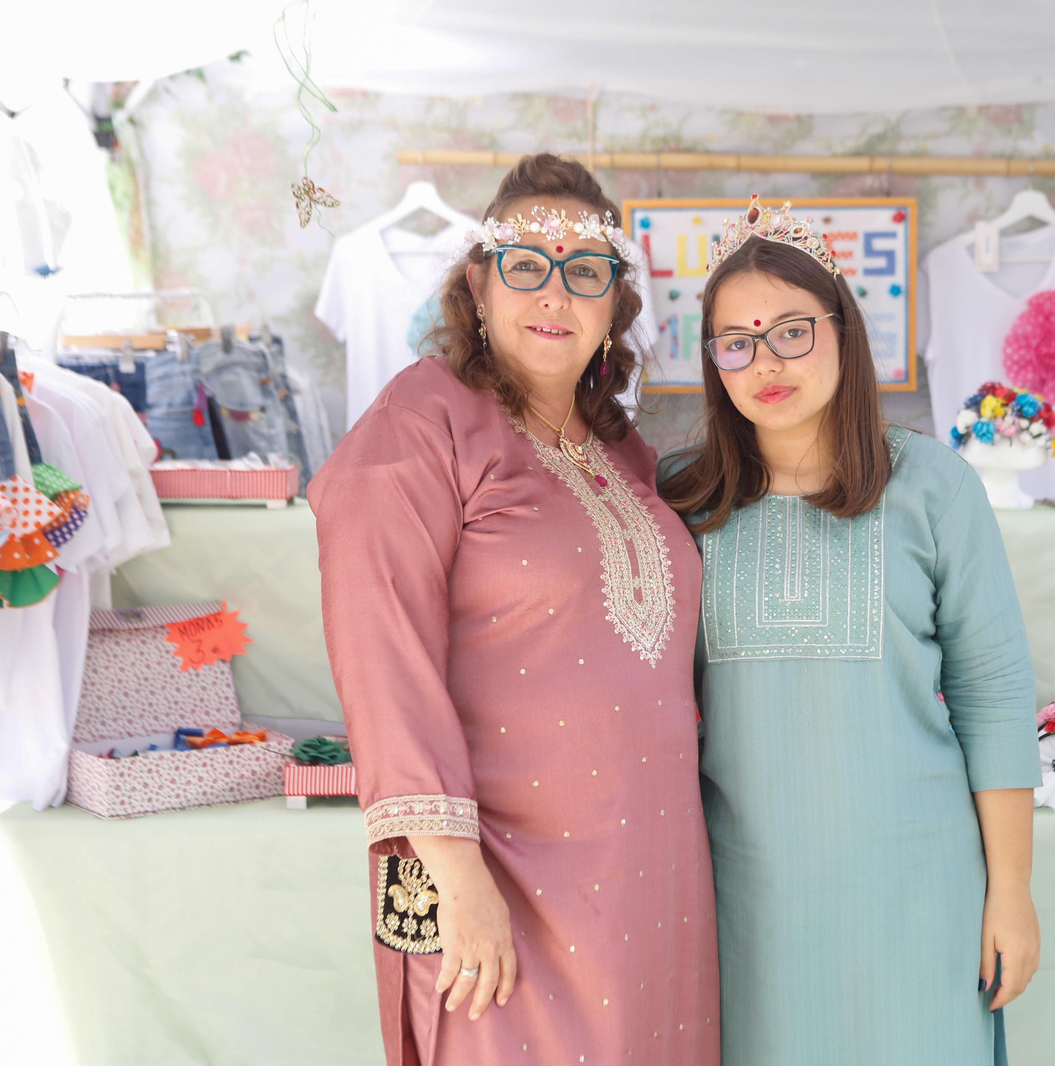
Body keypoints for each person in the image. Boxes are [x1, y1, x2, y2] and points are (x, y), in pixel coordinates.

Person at [310, 154, 719, 1066]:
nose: (554, 292)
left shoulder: (623, 451)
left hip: (651, 873)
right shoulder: (420, 423)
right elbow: (383, 657)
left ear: (615, 305)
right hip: (495, 873)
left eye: (585, 271)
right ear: (478, 287)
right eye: (526, 265)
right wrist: (455, 875)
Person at [660, 196, 1043, 1066]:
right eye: (736, 341)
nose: (766, 361)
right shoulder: (679, 500)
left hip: (920, 894)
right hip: (743, 902)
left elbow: (994, 695)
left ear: (843, 330)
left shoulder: (936, 487)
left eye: (792, 330)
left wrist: (1011, 890)